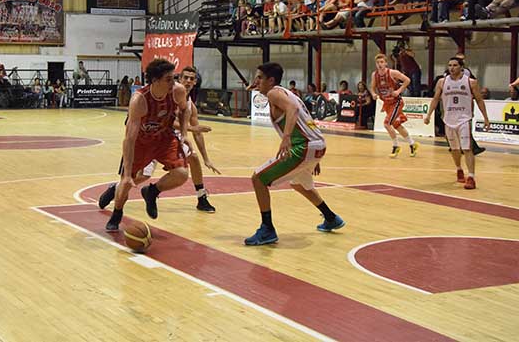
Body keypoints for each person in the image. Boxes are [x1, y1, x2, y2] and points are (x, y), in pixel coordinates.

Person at [244, 62, 344, 246]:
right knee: (298, 183)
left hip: (304, 146)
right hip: (315, 145)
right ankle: (331, 218)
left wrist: (287, 137)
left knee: (258, 179)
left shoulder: (274, 92)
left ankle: (267, 229)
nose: (255, 81)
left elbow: (294, 110)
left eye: (259, 77)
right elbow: (305, 118)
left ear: (271, 80)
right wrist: (313, 156)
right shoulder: (286, 93)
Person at [100, 66, 220, 213]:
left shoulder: (189, 105)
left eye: (192, 79)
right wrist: (190, 129)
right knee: (143, 176)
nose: (188, 81)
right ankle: (116, 189)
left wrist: (206, 158)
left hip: (168, 140)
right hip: (148, 137)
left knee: (193, 158)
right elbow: (168, 122)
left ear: (195, 82)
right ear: (179, 79)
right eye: (185, 78)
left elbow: (197, 132)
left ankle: (201, 197)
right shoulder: (166, 94)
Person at [102, 59, 190, 231]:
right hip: (141, 143)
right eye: (169, 79)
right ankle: (117, 213)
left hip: (164, 138)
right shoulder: (139, 100)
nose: (174, 82)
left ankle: (152, 192)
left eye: (174, 78)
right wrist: (127, 175)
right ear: (155, 80)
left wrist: (185, 133)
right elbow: (129, 139)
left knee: (181, 174)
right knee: (127, 183)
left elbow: (185, 109)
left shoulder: (177, 91)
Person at [424, 57, 489, 189]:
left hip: (464, 119)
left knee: (467, 148)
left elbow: (479, 100)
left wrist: (486, 118)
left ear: (461, 67)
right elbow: (436, 99)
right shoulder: (442, 82)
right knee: (454, 149)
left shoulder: (471, 82)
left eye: (454, 65)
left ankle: (471, 177)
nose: (451, 68)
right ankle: (459, 169)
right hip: (448, 119)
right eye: (449, 65)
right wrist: (429, 115)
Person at [370, 53, 419, 158]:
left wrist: (399, 90)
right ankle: (412, 144)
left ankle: (396, 146)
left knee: (387, 123)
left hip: (396, 102)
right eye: (378, 62)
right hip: (387, 104)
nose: (380, 64)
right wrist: (373, 94)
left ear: (386, 63)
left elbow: (407, 80)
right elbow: (372, 88)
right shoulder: (375, 75)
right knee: (396, 125)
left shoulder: (392, 72)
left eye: (382, 62)